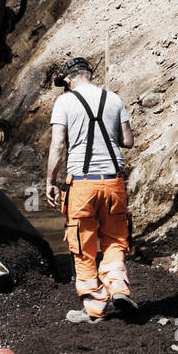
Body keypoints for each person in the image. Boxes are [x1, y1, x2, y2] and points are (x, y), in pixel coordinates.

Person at [45, 56, 135, 322]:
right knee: (116, 238)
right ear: (88, 74)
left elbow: (58, 146)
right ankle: (118, 286)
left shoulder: (64, 101)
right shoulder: (114, 99)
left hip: (82, 185)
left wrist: (50, 181)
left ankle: (95, 309)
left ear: (69, 79)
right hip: (113, 182)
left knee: (82, 245)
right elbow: (128, 140)